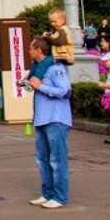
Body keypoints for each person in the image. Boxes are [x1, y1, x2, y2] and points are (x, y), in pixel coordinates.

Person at [27, 37, 72, 208]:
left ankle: (59, 196)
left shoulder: (55, 68)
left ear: (39, 50)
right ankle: (47, 193)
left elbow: (65, 90)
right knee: (42, 159)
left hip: (56, 118)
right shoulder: (37, 69)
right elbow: (35, 84)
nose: (29, 51)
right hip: (41, 118)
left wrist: (41, 87)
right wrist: (28, 84)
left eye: (31, 48)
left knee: (57, 160)